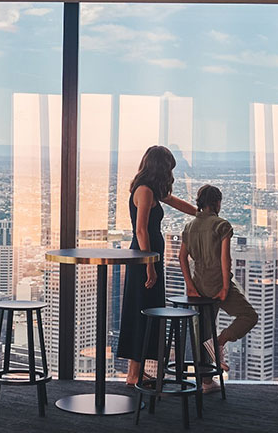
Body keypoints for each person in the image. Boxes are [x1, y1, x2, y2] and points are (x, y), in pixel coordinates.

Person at [117, 145, 197, 386]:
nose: (170, 174)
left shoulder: (150, 190)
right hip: (144, 258)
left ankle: (136, 372)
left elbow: (174, 201)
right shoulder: (144, 191)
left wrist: (202, 214)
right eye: (168, 169)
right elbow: (141, 230)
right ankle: (133, 374)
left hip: (149, 258)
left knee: (145, 310)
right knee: (140, 311)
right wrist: (150, 265)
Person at [178, 184, 258, 393]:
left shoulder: (189, 227)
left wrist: (189, 286)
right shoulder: (222, 225)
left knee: (203, 330)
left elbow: (181, 258)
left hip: (198, 286)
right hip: (216, 284)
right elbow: (225, 260)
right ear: (216, 203)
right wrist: (224, 287)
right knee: (249, 316)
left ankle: (206, 382)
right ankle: (220, 341)